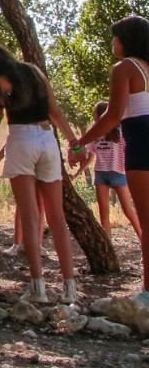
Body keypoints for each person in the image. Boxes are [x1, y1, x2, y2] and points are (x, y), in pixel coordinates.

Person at [0, 39, 79, 303]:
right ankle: (69, 287)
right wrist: (74, 143)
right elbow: (55, 111)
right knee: (57, 216)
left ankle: (38, 286)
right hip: (48, 139)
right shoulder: (34, 71)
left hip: (22, 139)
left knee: (29, 215)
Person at [71, 15, 149, 291]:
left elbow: (112, 116)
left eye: (115, 37)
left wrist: (80, 143)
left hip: (140, 141)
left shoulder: (124, 68)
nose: (112, 42)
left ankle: (147, 292)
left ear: (126, 41)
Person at [82, 101, 142, 242]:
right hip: (101, 174)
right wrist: (78, 172)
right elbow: (90, 156)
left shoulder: (120, 131)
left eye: (95, 114)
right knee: (104, 213)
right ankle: (108, 244)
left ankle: (142, 238)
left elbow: (128, 151)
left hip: (119, 174)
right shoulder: (95, 132)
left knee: (128, 210)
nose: (95, 117)